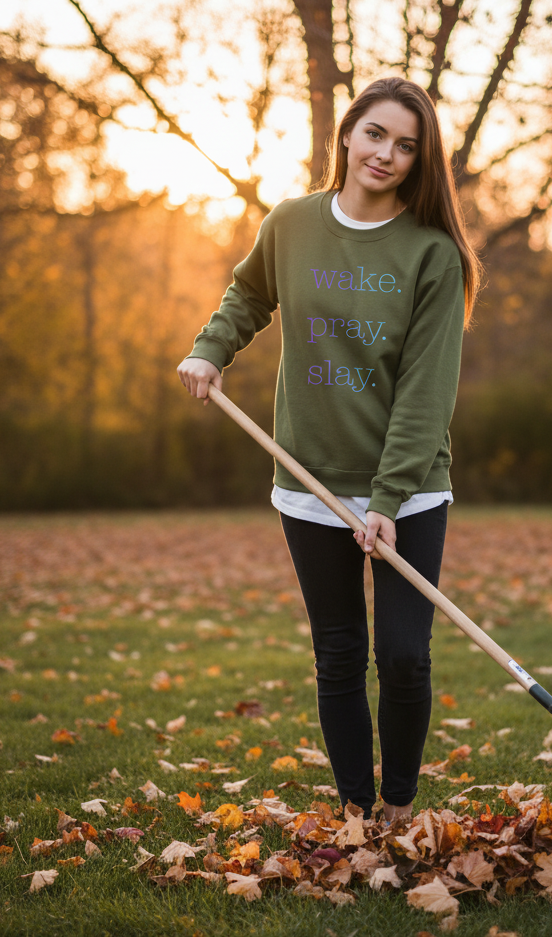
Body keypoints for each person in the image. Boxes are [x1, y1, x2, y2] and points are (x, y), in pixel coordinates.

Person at [178, 77, 481, 823]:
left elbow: (425, 393)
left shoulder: (434, 254)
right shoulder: (291, 224)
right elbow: (249, 295)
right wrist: (211, 349)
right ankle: (355, 810)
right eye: (375, 134)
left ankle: (399, 806)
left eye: (406, 145)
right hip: (308, 482)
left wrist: (386, 502)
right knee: (339, 652)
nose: (386, 154)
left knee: (403, 655)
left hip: (409, 491)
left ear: (419, 161)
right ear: (347, 133)